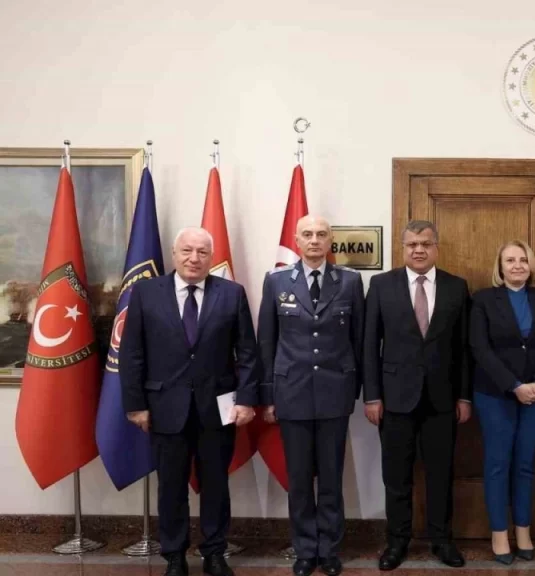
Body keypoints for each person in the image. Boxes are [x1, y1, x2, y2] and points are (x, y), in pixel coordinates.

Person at [120, 227, 259, 576]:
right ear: (174, 253)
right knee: (171, 486)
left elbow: (247, 352)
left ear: (211, 258)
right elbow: (132, 353)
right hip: (165, 408)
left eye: (201, 252)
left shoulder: (231, 293)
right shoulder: (146, 293)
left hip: (217, 409)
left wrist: (246, 400)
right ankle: (174, 556)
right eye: (187, 251)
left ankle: (215, 553)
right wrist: (136, 404)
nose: (193, 258)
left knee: (216, 486)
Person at [257, 215, 364, 576]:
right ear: (296, 240)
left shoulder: (349, 281)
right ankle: (305, 550)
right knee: (300, 479)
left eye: (321, 234)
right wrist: (268, 395)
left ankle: (329, 550)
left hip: (335, 391)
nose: (314, 240)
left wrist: (356, 389)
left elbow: (359, 339)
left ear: (331, 241)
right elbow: (267, 341)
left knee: (332, 478)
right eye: (307, 234)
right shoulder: (276, 281)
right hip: (292, 392)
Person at [363, 220, 472, 571]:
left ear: (436, 247)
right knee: (396, 477)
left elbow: (464, 348)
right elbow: (369, 345)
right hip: (395, 399)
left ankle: (442, 540)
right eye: (412, 244)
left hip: (443, 399)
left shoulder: (457, 287)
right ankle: (397, 542)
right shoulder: (381, 285)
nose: (419, 250)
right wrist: (372, 396)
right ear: (403, 248)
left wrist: (465, 397)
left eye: (425, 243)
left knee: (441, 474)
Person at [469, 240, 535, 565]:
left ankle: (523, 531)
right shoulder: (483, 300)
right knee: (498, 464)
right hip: (495, 394)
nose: (517, 265)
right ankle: (499, 534)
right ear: (500, 266)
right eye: (510, 260)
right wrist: (514, 385)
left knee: (525, 463)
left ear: (530, 265)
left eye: (523, 259)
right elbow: (479, 348)